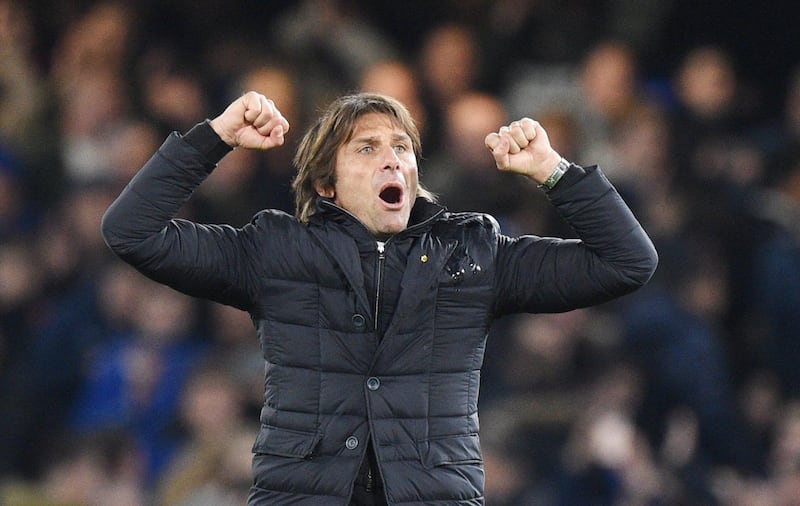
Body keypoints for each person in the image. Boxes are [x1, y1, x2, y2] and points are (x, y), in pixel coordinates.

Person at [101, 90, 657, 505]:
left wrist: (553, 172)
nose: (393, 159)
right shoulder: (275, 249)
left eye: (402, 148)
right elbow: (132, 230)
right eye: (367, 148)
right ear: (326, 183)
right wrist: (214, 137)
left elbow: (628, 261)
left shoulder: (474, 252)